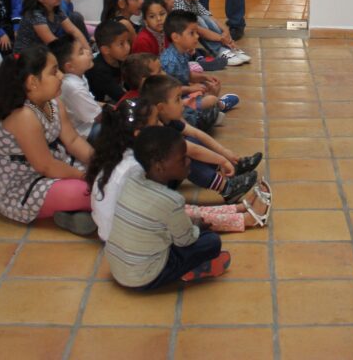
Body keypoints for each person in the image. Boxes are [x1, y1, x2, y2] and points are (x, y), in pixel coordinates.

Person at [87, 98, 269, 244]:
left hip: (118, 229)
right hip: (126, 236)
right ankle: (246, 219)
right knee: (183, 218)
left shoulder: (120, 152)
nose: (160, 125)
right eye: (156, 122)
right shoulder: (136, 165)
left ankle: (237, 209)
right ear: (138, 133)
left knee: (181, 209)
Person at [0, 45, 95, 235]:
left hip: (54, 167)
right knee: (92, 190)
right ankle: (79, 209)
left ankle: (73, 213)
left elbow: (72, 140)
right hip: (24, 185)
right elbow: (46, 166)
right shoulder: (23, 115)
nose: (61, 76)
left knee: (105, 178)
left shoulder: (54, 101)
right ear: (33, 82)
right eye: (54, 71)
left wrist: (99, 162)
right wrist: (88, 177)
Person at [105, 126, 230, 288]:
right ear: (159, 166)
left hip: (117, 268)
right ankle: (192, 269)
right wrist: (197, 227)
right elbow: (186, 240)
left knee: (168, 231)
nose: (189, 161)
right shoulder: (171, 200)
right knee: (211, 241)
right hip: (145, 278)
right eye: (182, 159)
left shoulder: (132, 179)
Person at [142, 74, 259, 204]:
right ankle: (227, 189)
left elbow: (197, 134)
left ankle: (233, 168)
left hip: (167, 174)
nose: (183, 102)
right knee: (185, 157)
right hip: (160, 187)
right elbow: (193, 151)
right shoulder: (158, 131)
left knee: (193, 140)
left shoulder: (168, 120)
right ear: (161, 108)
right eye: (178, 99)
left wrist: (225, 153)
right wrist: (222, 160)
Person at [159, 10, 227, 129]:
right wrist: (191, 89)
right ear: (176, 37)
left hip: (185, 94)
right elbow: (169, 90)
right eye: (192, 33)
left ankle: (213, 108)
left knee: (212, 86)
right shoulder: (170, 61)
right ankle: (211, 110)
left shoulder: (183, 52)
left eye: (196, 32)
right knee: (210, 99)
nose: (197, 36)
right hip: (176, 100)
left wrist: (205, 77)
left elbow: (187, 75)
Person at [171, 0, 250, 65]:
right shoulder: (178, 5)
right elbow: (197, 29)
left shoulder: (192, 1)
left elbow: (210, 17)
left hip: (196, 32)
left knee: (205, 17)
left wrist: (226, 32)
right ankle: (218, 51)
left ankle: (227, 47)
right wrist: (221, 38)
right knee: (199, 20)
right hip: (181, 38)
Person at [16, 0, 86, 50]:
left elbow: (74, 31)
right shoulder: (35, 15)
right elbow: (53, 43)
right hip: (24, 55)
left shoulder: (57, 10)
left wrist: (88, 52)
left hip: (43, 52)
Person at [50, 35, 101, 140]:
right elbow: (98, 116)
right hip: (82, 132)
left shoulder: (78, 76)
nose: (88, 52)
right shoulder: (74, 87)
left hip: (86, 123)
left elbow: (92, 102)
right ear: (69, 66)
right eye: (81, 52)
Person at [85, 21, 130, 103]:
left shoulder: (120, 58)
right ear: (106, 50)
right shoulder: (99, 71)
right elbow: (120, 97)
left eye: (128, 41)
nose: (128, 47)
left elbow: (129, 84)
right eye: (121, 44)